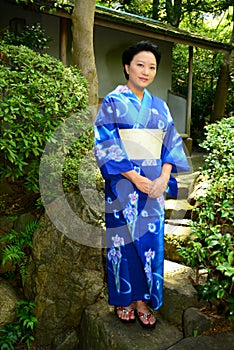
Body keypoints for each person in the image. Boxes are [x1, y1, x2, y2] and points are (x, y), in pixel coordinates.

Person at [94, 41, 190, 329]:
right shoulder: (112, 102)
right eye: (140, 64)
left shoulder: (160, 107)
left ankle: (143, 301)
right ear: (127, 66)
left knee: (150, 244)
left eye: (152, 67)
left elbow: (171, 145)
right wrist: (134, 177)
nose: (146, 71)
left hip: (154, 189)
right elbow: (106, 143)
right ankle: (125, 299)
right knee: (123, 244)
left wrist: (163, 178)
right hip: (123, 185)